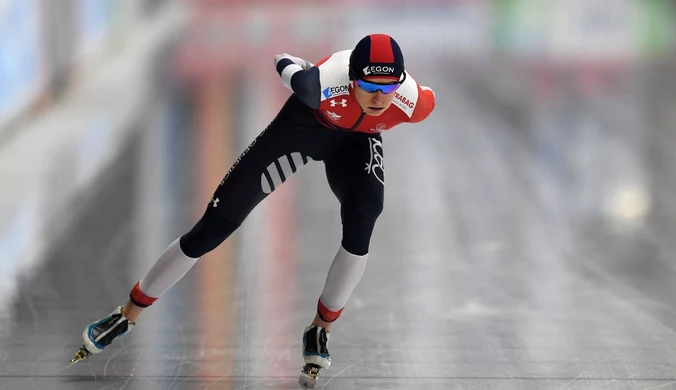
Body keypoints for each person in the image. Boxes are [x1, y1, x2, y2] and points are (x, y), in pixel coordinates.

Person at [69, 33, 435, 387]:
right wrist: (305, 68)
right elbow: (281, 59)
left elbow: (420, 96)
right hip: (304, 126)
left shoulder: (414, 102)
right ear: (353, 79)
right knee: (215, 226)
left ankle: (320, 329)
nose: (379, 97)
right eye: (370, 87)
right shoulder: (317, 85)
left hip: (356, 144)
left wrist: (381, 96)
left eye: (388, 89)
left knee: (363, 221)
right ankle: (127, 313)